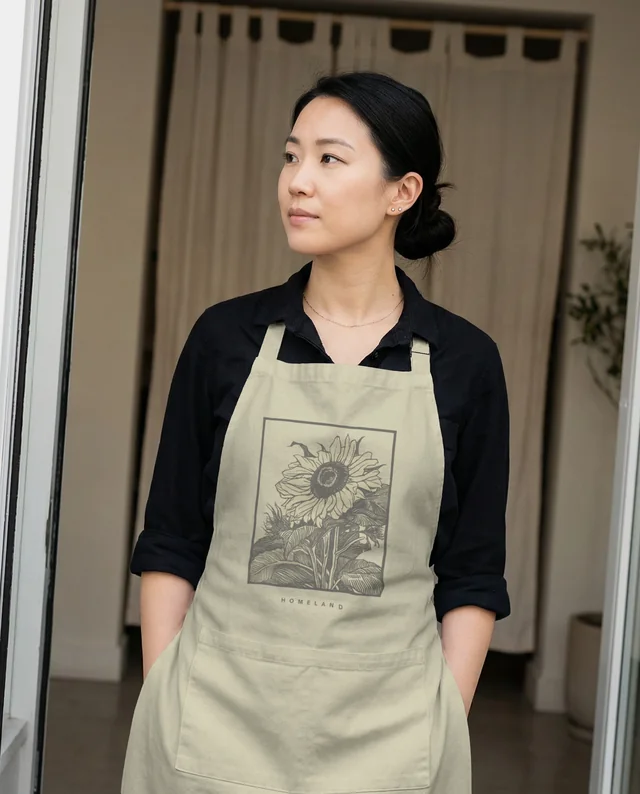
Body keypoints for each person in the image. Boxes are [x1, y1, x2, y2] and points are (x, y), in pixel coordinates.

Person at [122, 71, 510, 794]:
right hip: (215, 723)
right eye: (290, 155)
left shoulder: (465, 363)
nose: (298, 181)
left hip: (388, 740)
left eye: (329, 159)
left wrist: (440, 721)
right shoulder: (225, 338)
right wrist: (164, 697)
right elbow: (172, 539)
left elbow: (473, 573)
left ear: (403, 191)